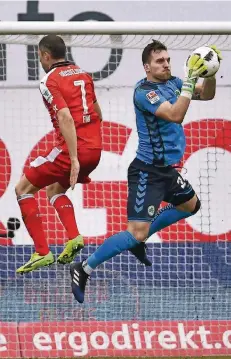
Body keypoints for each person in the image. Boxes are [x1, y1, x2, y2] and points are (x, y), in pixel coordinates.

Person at [70, 40, 222, 303]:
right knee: (134, 232)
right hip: (147, 173)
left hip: (167, 171)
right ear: (147, 67)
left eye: (167, 60)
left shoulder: (174, 83)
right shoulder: (144, 91)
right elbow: (175, 115)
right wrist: (188, 80)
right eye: (159, 61)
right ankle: (84, 268)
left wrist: (210, 73)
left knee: (190, 205)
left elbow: (207, 94)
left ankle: (141, 239)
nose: (165, 64)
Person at [15, 35, 103, 274]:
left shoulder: (48, 80)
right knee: (55, 189)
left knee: (22, 189)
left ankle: (42, 252)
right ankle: (74, 237)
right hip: (95, 150)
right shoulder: (84, 75)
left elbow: (65, 117)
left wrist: (73, 157)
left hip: (72, 151)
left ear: (45, 55)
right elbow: (98, 113)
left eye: (39, 56)